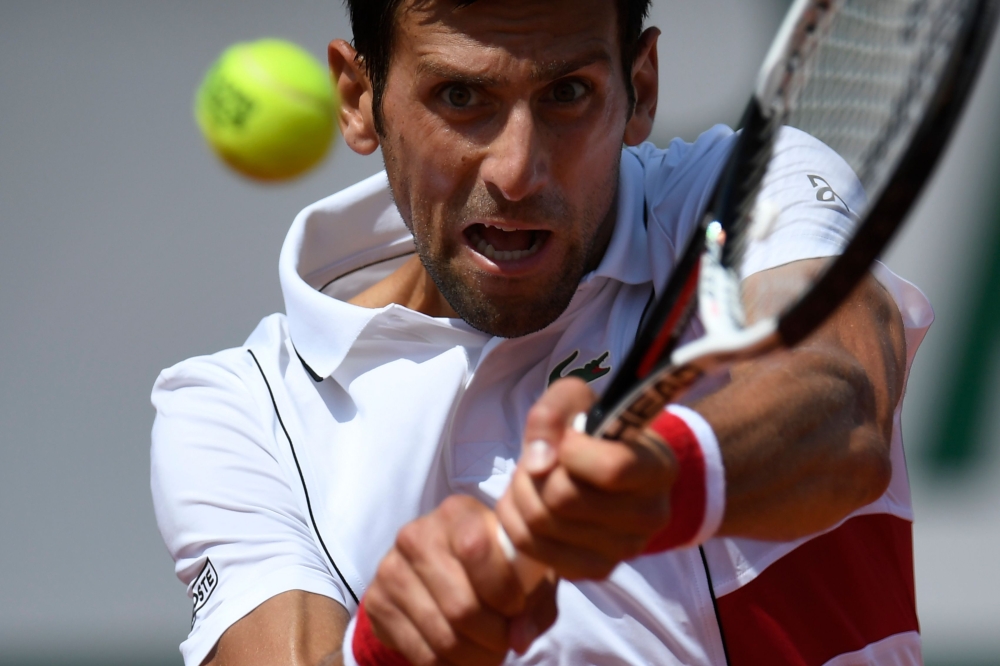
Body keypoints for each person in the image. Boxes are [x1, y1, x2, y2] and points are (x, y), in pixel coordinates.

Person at [151, 1, 932, 664]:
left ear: (640, 88)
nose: (518, 170)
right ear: (359, 98)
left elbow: (839, 402)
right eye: (461, 96)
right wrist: (386, 648)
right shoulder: (235, 414)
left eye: (567, 93)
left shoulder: (749, 190)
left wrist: (655, 478)